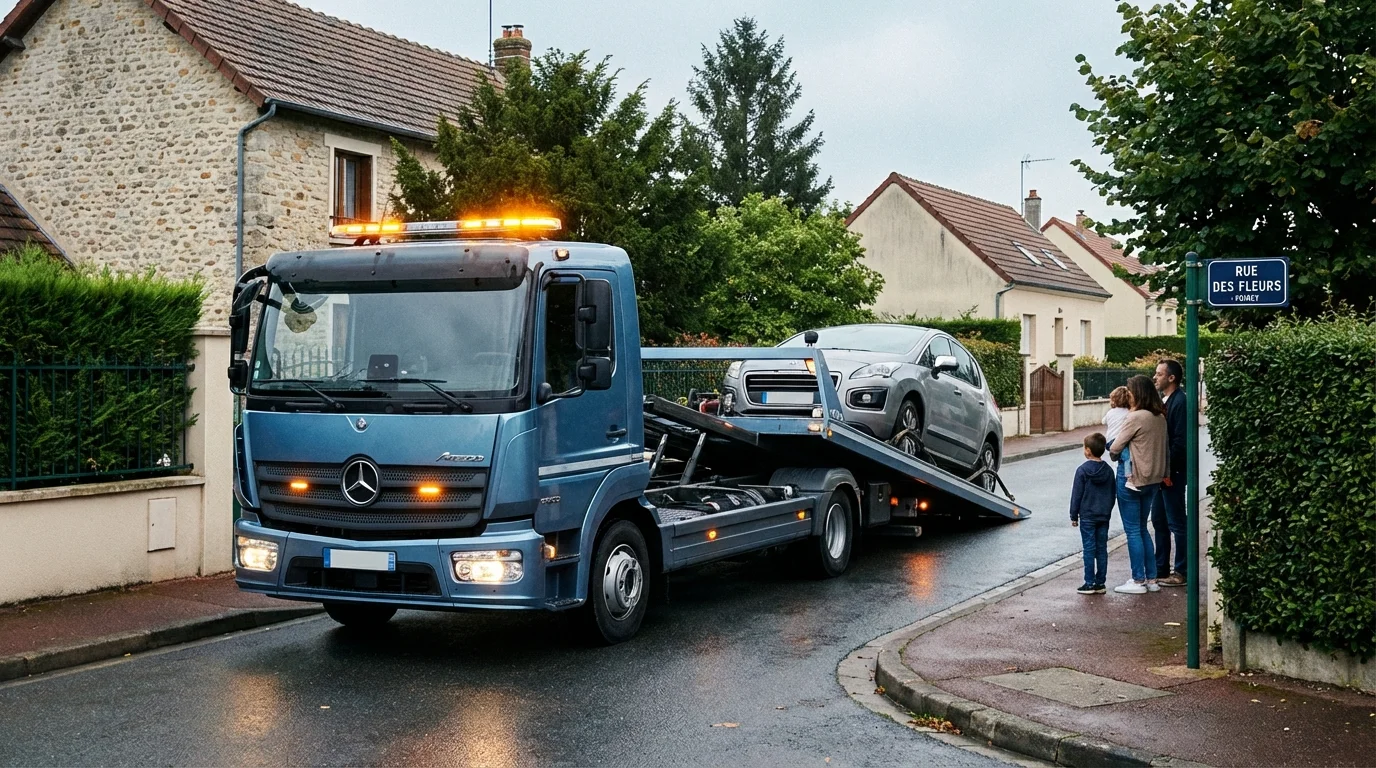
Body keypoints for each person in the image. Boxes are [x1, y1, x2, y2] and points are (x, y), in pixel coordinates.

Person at [1109, 375, 1168, 595]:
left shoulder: (1136, 418)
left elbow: (1116, 447)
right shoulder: (1159, 416)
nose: (1129, 395)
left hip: (1131, 479)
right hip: (1153, 479)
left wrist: (1112, 451)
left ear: (1139, 393)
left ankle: (1137, 580)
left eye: (1131, 392)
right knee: (1143, 528)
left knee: (1133, 530)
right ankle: (1152, 579)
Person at [1152, 358, 1188, 587]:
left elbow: (1179, 441)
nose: (1155, 377)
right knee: (1159, 520)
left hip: (1171, 473)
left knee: (1176, 522)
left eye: (1159, 374)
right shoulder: (1166, 400)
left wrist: (1167, 470)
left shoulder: (1180, 402)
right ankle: (1161, 569)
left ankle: (1181, 571)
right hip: (1162, 473)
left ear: (1171, 377)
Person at [1070, 432, 1116, 595]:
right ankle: (1100, 582)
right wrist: (1107, 511)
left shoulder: (1082, 471)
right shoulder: (1109, 471)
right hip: (1103, 515)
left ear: (1088, 450)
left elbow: (1077, 494)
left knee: (1089, 548)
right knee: (1101, 548)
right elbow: (1112, 494)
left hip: (1088, 516)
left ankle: (1089, 582)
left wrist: (1074, 515)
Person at [1102, 386, 1134, 487]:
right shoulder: (1128, 413)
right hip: (1120, 441)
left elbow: (1103, 421)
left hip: (1109, 441)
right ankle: (1129, 477)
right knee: (1127, 458)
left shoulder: (1110, 412)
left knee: (1119, 462)